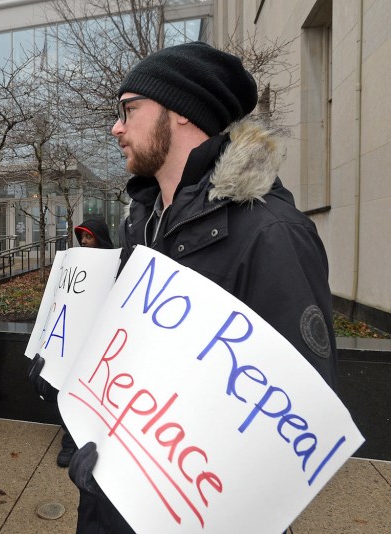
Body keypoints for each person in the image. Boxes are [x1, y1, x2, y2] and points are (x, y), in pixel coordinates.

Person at [63, 41, 338, 533]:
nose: (116, 127)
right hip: (111, 505)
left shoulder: (272, 234)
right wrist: (91, 436)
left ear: (181, 114)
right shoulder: (143, 223)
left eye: (129, 109)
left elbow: (295, 425)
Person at [50, 217, 116, 468]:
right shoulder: (75, 265)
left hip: (102, 339)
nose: (85, 242)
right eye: (82, 238)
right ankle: (70, 438)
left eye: (89, 237)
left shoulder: (116, 264)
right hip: (75, 338)